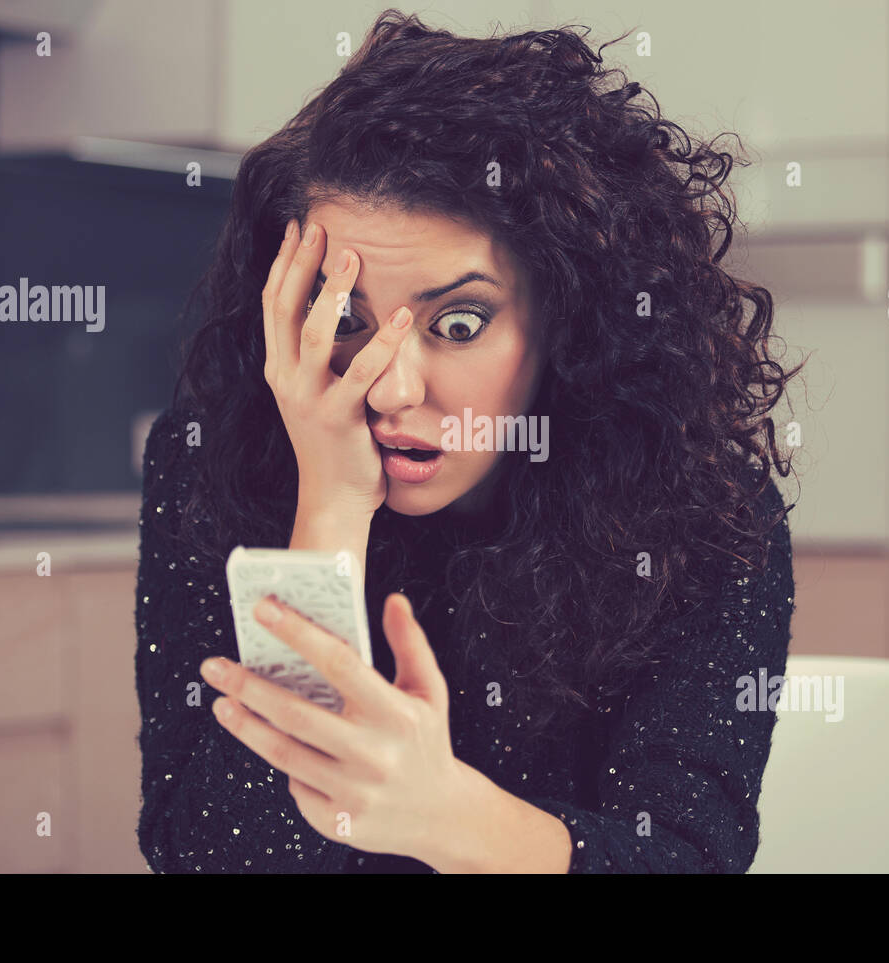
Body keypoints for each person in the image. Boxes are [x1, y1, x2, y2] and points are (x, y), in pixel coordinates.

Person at [136, 8, 804, 873]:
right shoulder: (211, 458)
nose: (392, 385)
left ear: (568, 316)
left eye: (458, 321)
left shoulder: (705, 511)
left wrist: (448, 819)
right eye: (344, 317)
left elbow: (685, 858)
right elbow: (207, 859)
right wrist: (329, 515)